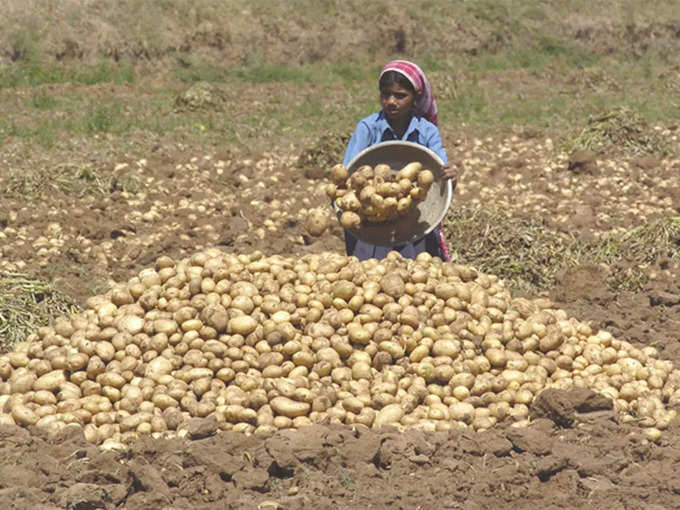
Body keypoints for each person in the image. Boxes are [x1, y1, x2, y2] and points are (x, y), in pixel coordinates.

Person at [341, 59, 458, 261]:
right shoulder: (368, 128)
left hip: (413, 218)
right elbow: (346, 176)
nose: (391, 101)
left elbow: (440, 174)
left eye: (400, 96)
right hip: (371, 220)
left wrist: (451, 176)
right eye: (386, 95)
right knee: (369, 267)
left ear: (415, 97)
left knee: (416, 268)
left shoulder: (427, 131)